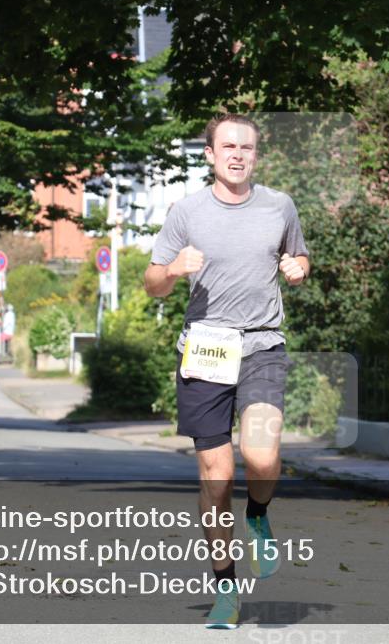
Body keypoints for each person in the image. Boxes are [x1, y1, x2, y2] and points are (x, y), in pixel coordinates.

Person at [144, 114, 309, 629]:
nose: (238, 155)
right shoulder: (186, 212)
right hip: (206, 350)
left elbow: (299, 257)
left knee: (261, 454)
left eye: (247, 147)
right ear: (210, 154)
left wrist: (299, 268)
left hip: (261, 344)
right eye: (229, 146)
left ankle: (257, 514)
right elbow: (153, 282)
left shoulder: (279, 206)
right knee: (216, 480)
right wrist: (173, 270)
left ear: (256, 154)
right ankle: (225, 589)